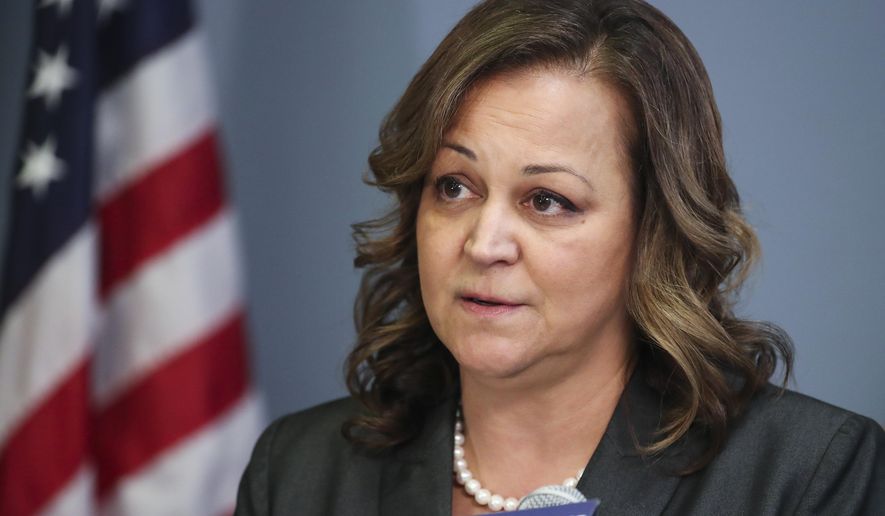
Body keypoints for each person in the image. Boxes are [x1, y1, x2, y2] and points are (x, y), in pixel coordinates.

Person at [235, 0, 885, 514]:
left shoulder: (804, 475)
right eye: (454, 187)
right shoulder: (298, 471)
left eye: (546, 201)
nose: (483, 244)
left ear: (651, 232)